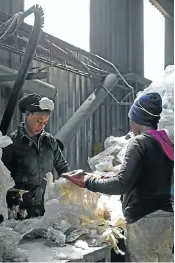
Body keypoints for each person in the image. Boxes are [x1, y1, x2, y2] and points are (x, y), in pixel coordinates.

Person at [61, 92, 174, 262]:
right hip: (166, 219)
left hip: (144, 221)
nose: (130, 125)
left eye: (130, 118)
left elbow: (122, 184)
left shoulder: (139, 143)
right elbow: (146, 176)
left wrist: (86, 181)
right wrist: (99, 176)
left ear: (136, 118)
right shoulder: (165, 142)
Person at [2, 93, 70, 219]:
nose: (42, 126)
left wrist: (73, 182)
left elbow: (62, 166)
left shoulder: (50, 141)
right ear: (27, 115)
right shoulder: (11, 143)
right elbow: (3, 180)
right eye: (39, 121)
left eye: (45, 122)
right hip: (20, 212)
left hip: (45, 209)